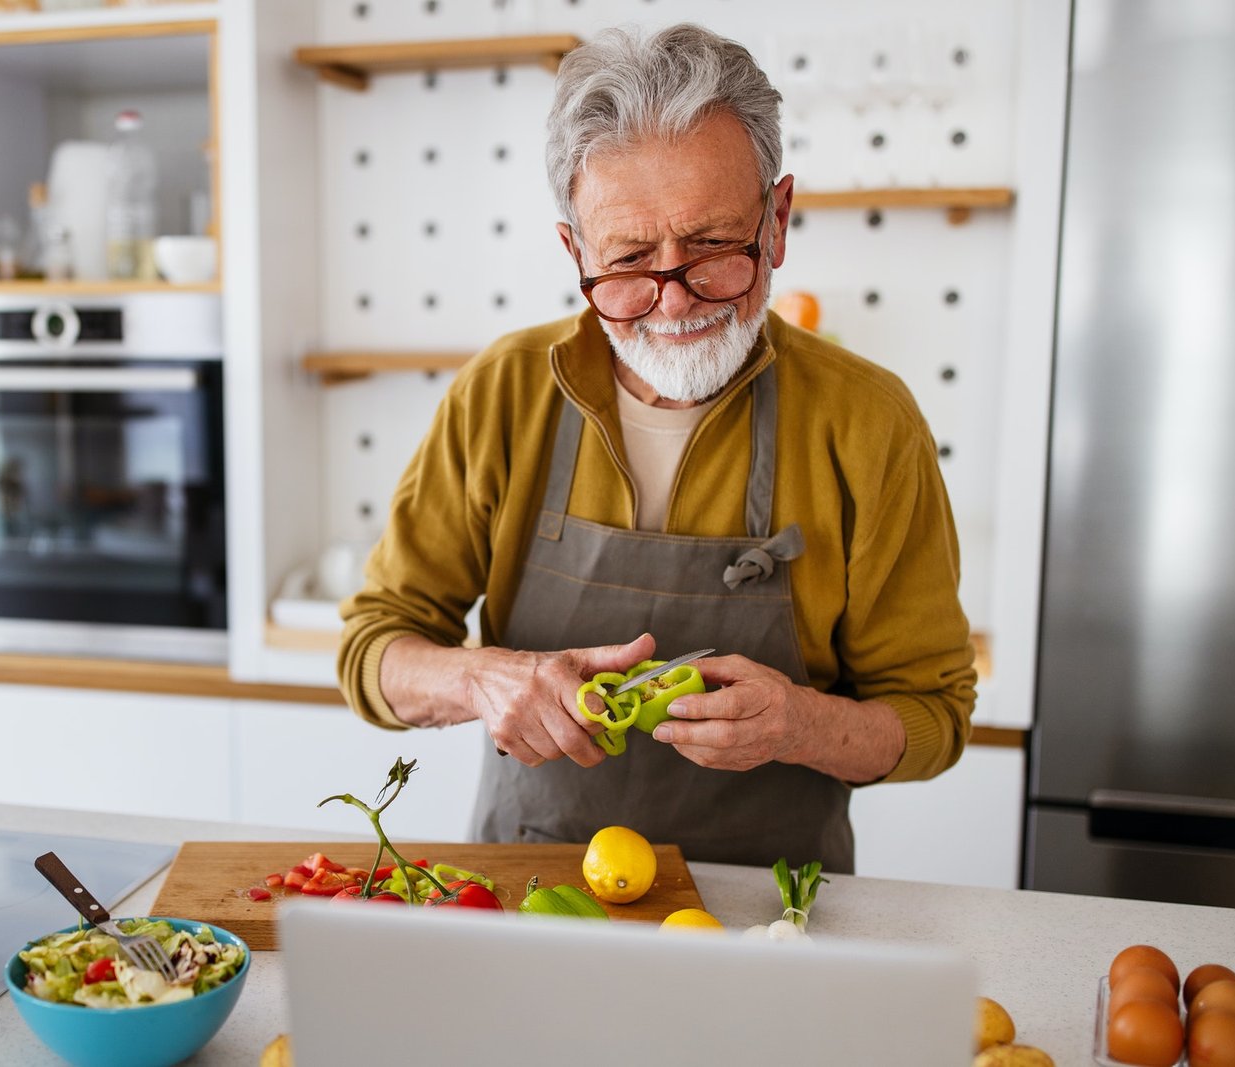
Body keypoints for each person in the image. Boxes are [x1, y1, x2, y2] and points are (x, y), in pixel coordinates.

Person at [336, 22, 976, 871]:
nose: (674, 303)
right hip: (531, 887)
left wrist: (805, 723)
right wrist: (483, 679)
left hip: (770, 912)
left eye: (713, 246)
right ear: (575, 251)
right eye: (631, 259)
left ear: (777, 221)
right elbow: (373, 648)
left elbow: (935, 715)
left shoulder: (870, 423)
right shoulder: (504, 392)